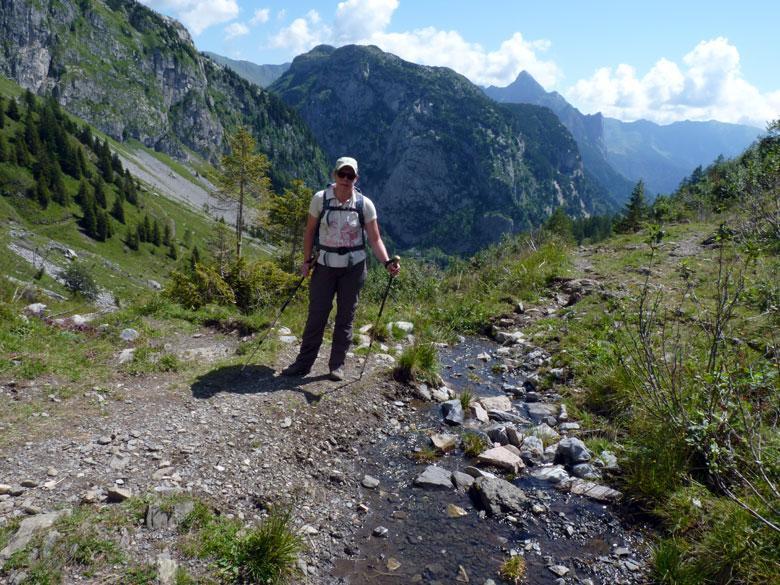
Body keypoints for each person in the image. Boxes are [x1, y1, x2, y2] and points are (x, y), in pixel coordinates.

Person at [281, 156, 400, 381]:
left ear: (356, 178)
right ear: (334, 175)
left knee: (346, 317)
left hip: (353, 269)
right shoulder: (320, 199)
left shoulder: (364, 204)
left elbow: (375, 239)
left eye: (350, 175)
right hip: (324, 266)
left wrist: (387, 262)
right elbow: (309, 232)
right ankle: (303, 364)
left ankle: (337, 365)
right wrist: (306, 261)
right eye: (342, 174)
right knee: (317, 315)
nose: (346, 179)